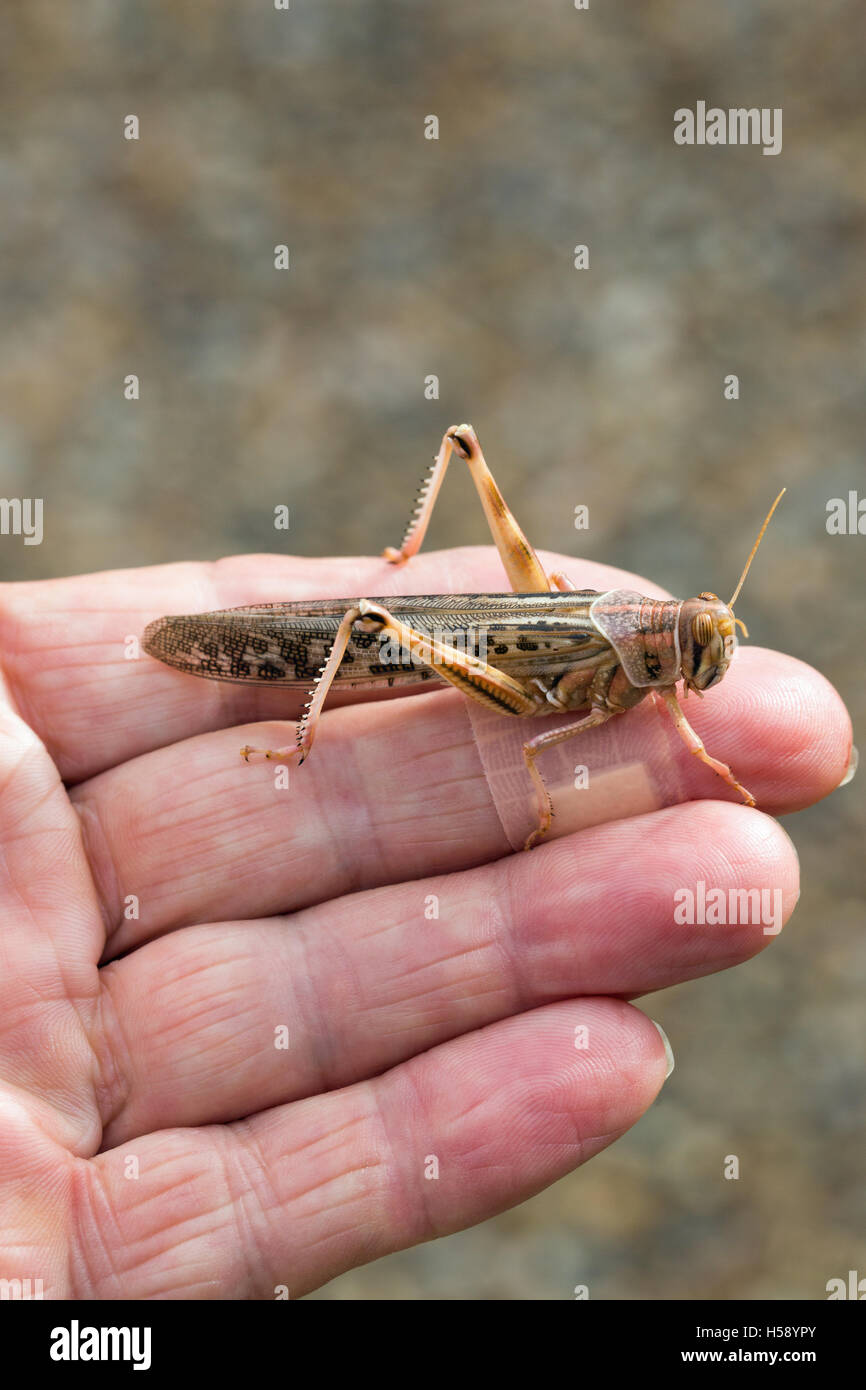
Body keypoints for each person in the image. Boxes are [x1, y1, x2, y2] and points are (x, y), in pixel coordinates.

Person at [0, 546, 852, 1298]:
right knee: (378, 623)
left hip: (539, 628)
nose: (710, 659)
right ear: (669, 639)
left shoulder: (647, 658)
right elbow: (534, 739)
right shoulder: (621, 654)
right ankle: (300, 735)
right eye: (701, 641)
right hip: (500, 656)